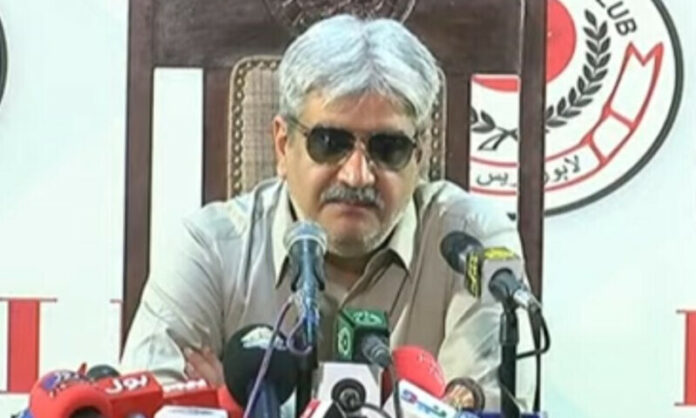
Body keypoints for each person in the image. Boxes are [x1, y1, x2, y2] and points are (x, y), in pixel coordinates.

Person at [121, 14, 535, 411]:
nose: (357, 176)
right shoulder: (210, 249)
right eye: (330, 142)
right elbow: (146, 407)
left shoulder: (472, 246)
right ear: (283, 145)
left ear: (419, 156)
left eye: (388, 148)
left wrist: (238, 408)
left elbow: (488, 407)